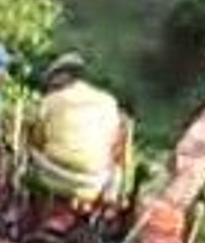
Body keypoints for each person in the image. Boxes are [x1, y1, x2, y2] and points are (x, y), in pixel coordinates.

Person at [28, 52, 129, 204]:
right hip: (93, 181)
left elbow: (37, 141)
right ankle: (108, 202)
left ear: (63, 76)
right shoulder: (109, 102)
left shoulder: (50, 100)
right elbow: (115, 145)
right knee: (116, 169)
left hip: (51, 175)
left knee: (30, 152)